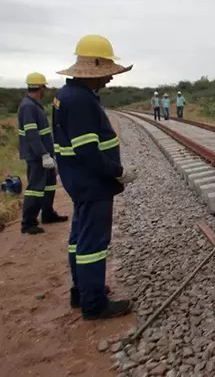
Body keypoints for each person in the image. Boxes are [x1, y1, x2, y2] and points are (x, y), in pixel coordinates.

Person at [52, 34, 137, 319]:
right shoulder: (80, 101)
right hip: (92, 183)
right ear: (94, 69)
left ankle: (82, 291)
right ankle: (94, 303)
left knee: (79, 237)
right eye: (106, 73)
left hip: (79, 180)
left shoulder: (67, 95)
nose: (110, 79)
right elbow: (88, 150)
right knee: (94, 243)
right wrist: (119, 172)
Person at [17, 72, 68, 234]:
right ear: (41, 87)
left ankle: (47, 214)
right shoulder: (28, 107)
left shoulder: (33, 104)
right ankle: (28, 223)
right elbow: (32, 134)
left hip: (44, 154)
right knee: (35, 188)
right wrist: (43, 155)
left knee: (49, 184)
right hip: (37, 156)